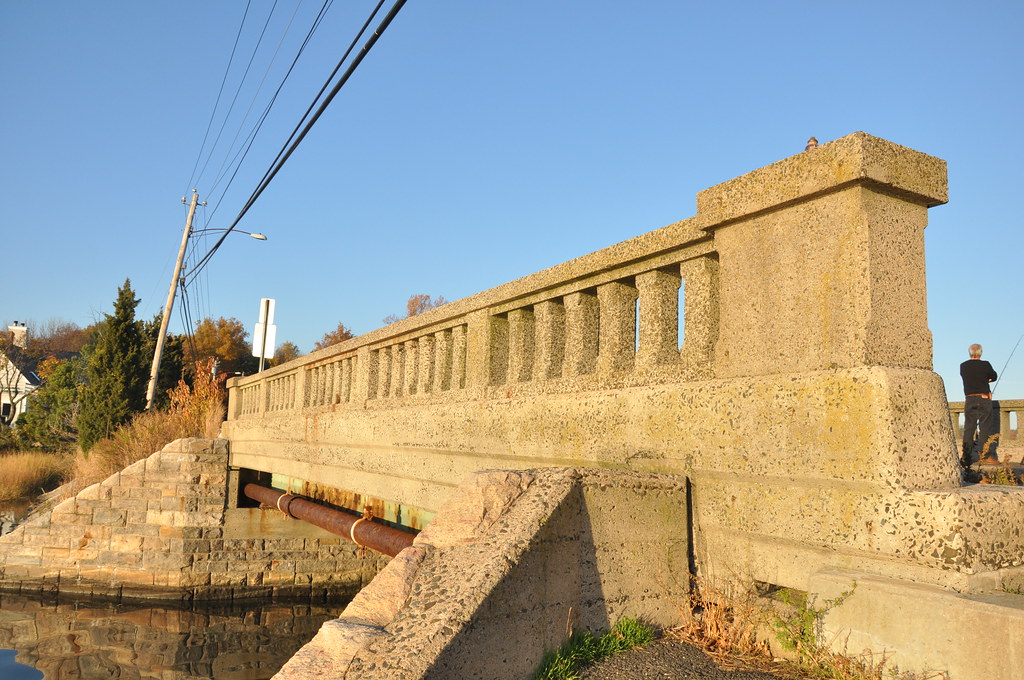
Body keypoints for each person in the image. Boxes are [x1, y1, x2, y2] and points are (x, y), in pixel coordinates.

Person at [959, 344, 997, 467]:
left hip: (969, 399)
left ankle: (966, 456)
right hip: (984, 398)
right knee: (985, 428)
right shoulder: (985, 364)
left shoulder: (963, 366)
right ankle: (985, 455)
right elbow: (994, 376)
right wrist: (987, 380)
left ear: (970, 353)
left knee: (969, 428)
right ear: (980, 353)